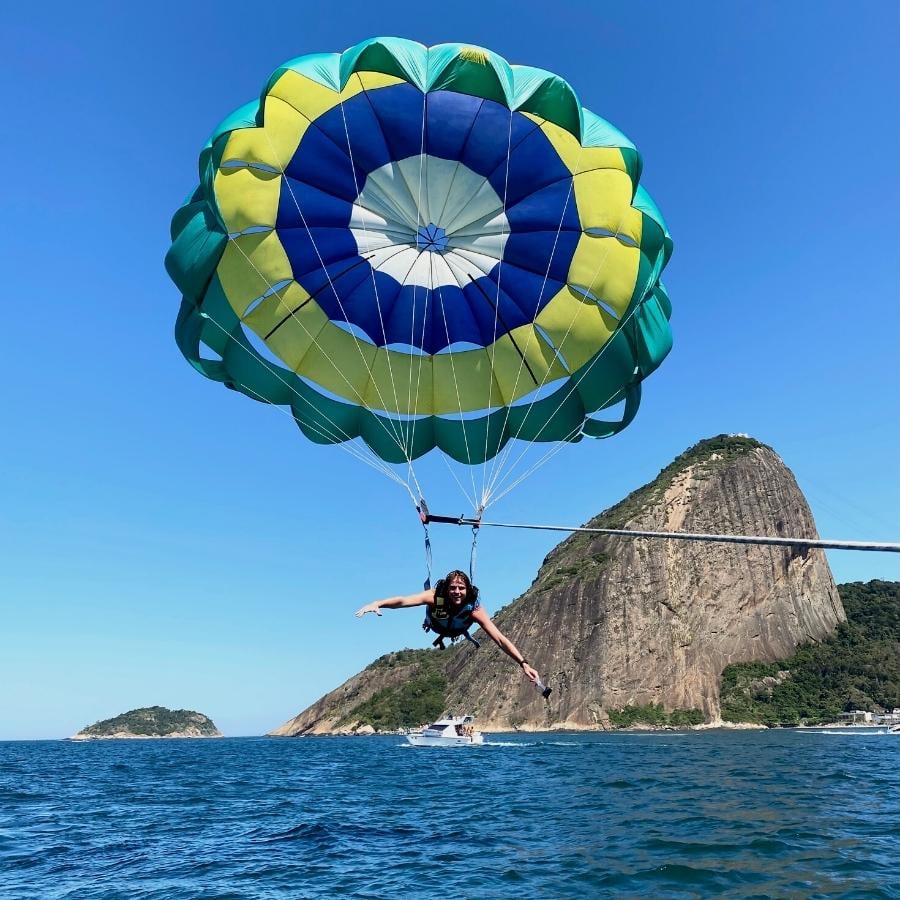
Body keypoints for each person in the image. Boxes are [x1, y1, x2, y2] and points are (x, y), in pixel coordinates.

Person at [355, 569, 541, 685]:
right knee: (431, 610)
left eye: (461, 588)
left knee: (471, 622)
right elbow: (404, 600)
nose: (457, 592)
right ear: (447, 588)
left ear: (467, 590)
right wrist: (378, 603)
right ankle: (427, 621)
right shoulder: (435, 596)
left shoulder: (474, 609)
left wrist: (523, 663)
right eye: (453, 588)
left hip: (459, 629)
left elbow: (500, 639)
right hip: (437, 625)